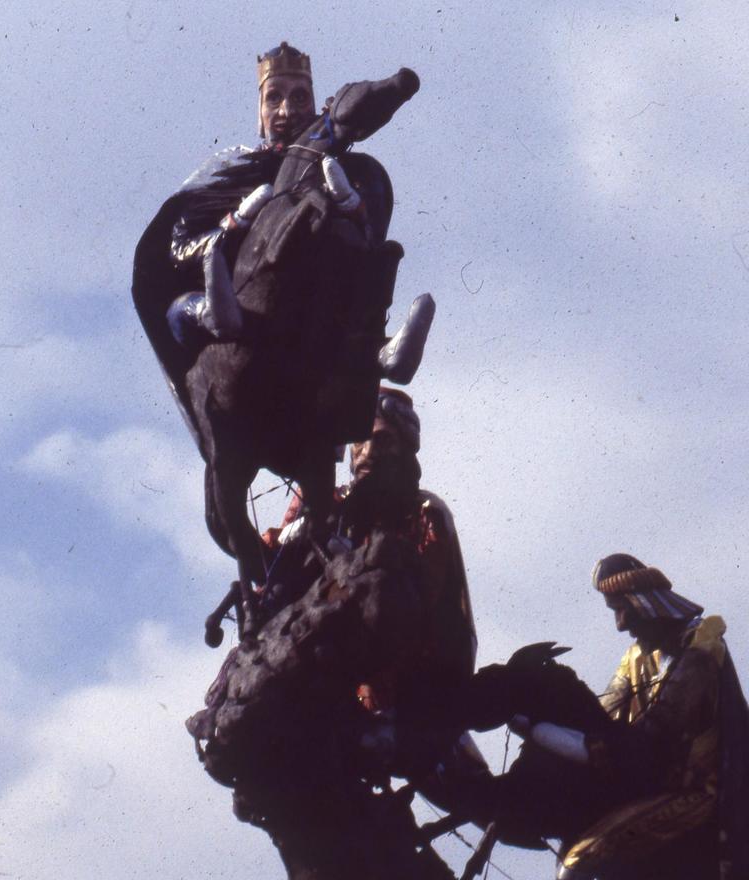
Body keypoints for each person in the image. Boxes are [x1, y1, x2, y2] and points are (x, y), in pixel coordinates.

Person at [262, 387, 479, 774]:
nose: (366, 452)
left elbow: (414, 600)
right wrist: (282, 543)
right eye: (359, 441)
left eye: (381, 439)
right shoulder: (331, 502)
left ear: (404, 447)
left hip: (417, 668)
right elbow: (278, 558)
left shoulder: (426, 512)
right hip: (335, 662)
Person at [509, 553, 749, 879]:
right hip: (648, 783)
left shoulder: (701, 648)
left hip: (694, 793)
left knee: (576, 864)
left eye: (621, 609)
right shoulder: (635, 657)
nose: (620, 624)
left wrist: (544, 732)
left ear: (645, 602)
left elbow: (657, 734)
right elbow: (603, 712)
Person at [165, 41, 367, 347]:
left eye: (299, 97)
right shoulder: (231, 167)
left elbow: (368, 236)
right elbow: (180, 247)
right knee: (178, 310)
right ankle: (210, 314)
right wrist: (233, 224)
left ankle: (374, 345)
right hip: (236, 294)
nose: (287, 110)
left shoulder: (336, 166)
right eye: (274, 98)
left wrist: (351, 204)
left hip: (317, 301)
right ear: (260, 113)